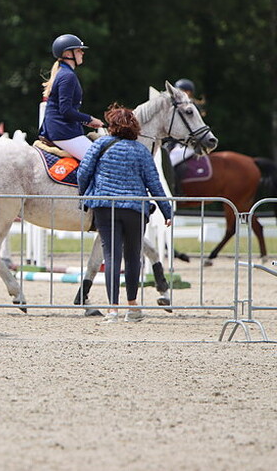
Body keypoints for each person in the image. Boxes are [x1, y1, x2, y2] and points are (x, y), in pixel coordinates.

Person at [77, 104, 173, 323]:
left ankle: (113, 310)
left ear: (112, 125)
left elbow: (84, 172)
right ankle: (133, 307)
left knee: (111, 256)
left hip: (105, 206)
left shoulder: (101, 144)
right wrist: (167, 210)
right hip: (135, 208)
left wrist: (84, 195)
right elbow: (154, 184)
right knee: (132, 257)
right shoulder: (141, 150)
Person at [39, 34, 104, 160]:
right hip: (62, 132)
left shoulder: (64, 73)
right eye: (79, 50)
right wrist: (89, 119)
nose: (82, 53)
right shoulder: (68, 76)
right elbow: (66, 110)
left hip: (61, 129)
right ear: (68, 54)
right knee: (99, 161)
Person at [168, 78, 204, 167]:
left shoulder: (192, 108)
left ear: (188, 92)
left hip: (189, 145)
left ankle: (171, 181)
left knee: (169, 162)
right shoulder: (178, 106)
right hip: (177, 144)